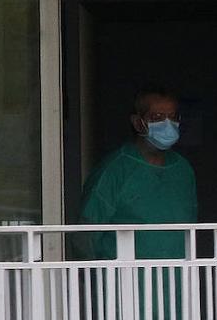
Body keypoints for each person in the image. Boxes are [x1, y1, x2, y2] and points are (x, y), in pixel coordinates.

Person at [71, 85, 196, 260]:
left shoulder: (182, 170)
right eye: (157, 117)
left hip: (176, 280)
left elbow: (189, 228)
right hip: (123, 281)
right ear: (138, 122)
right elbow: (85, 237)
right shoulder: (115, 170)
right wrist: (90, 281)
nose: (167, 124)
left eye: (173, 117)